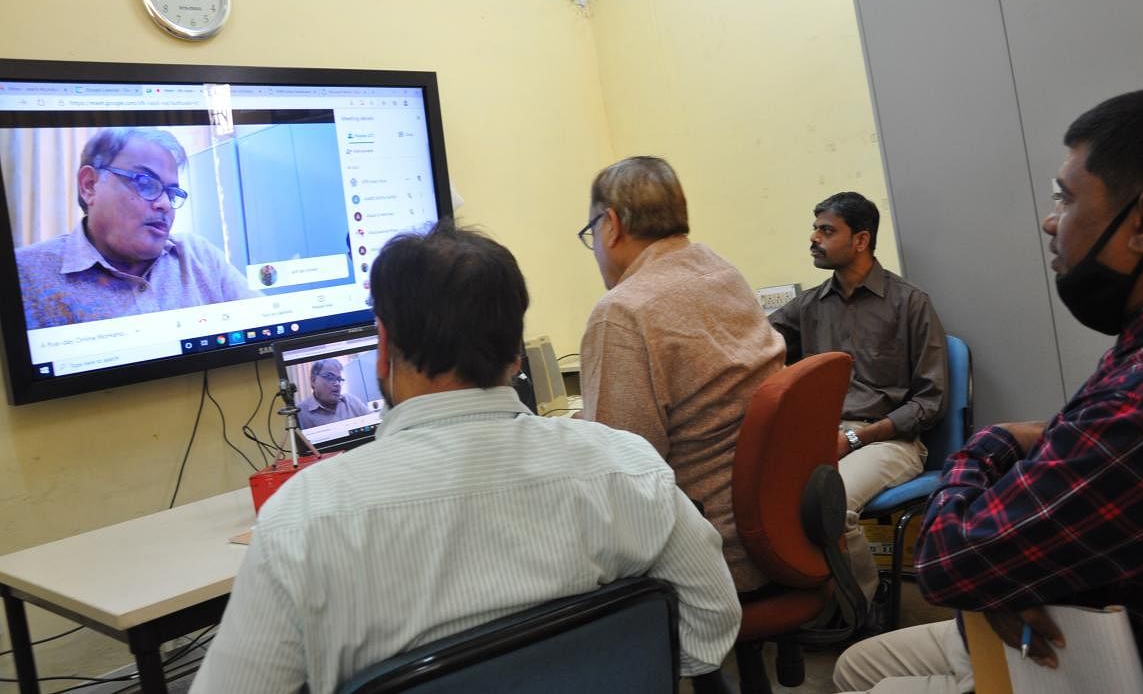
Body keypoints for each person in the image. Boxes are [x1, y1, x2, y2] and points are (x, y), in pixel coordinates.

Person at [192, 223, 741, 692]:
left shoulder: (303, 519)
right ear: (515, 352)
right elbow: (710, 630)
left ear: (382, 344)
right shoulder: (626, 467)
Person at [833, 86, 1143, 694]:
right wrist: (997, 577)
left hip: (1084, 657)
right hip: (1051, 599)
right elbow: (1068, 462)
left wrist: (990, 440)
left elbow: (949, 562)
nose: (1051, 220)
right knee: (853, 666)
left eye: (1066, 197)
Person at [578, 155, 785, 592]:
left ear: (611, 224)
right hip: (777, 526)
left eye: (591, 232)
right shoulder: (719, 270)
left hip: (706, 555)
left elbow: (620, 472)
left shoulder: (622, 311)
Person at [768, 191, 947, 603]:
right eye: (815, 228)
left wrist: (854, 439)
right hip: (825, 437)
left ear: (861, 240)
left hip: (888, 440)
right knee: (765, 498)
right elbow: (756, 347)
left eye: (826, 230)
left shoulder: (910, 303)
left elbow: (930, 402)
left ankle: (862, 607)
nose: (813, 238)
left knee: (831, 506)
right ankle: (814, 602)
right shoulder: (809, 306)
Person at [15, 127, 257, 329]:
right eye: (145, 182)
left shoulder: (197, 256)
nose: (163, 203)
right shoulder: (25, 274)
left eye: (171, 192)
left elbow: (265, 329)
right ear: (89, 185)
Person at [296, 357, 372, 430]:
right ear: (313, 381)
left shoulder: (352, 401)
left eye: (339, 379)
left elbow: (374, 425)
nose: (337, 383)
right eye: (329, 377)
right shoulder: (300, 413)